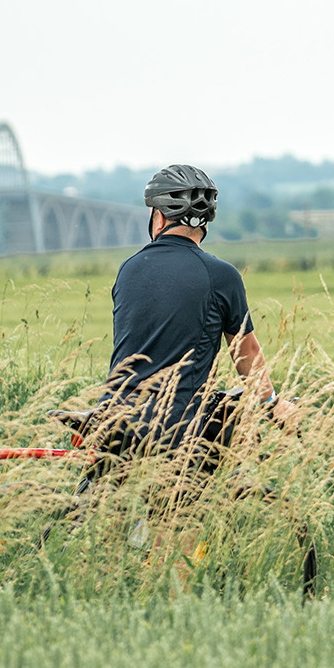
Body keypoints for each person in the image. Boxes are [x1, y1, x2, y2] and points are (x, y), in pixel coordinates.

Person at [95, 164, 295, 453]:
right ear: (204, 223)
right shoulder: (221, 276)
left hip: (112, 418)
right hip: (175, 429)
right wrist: (271, 404)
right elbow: (246, 352)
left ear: (159, 217)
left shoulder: (129, 269)